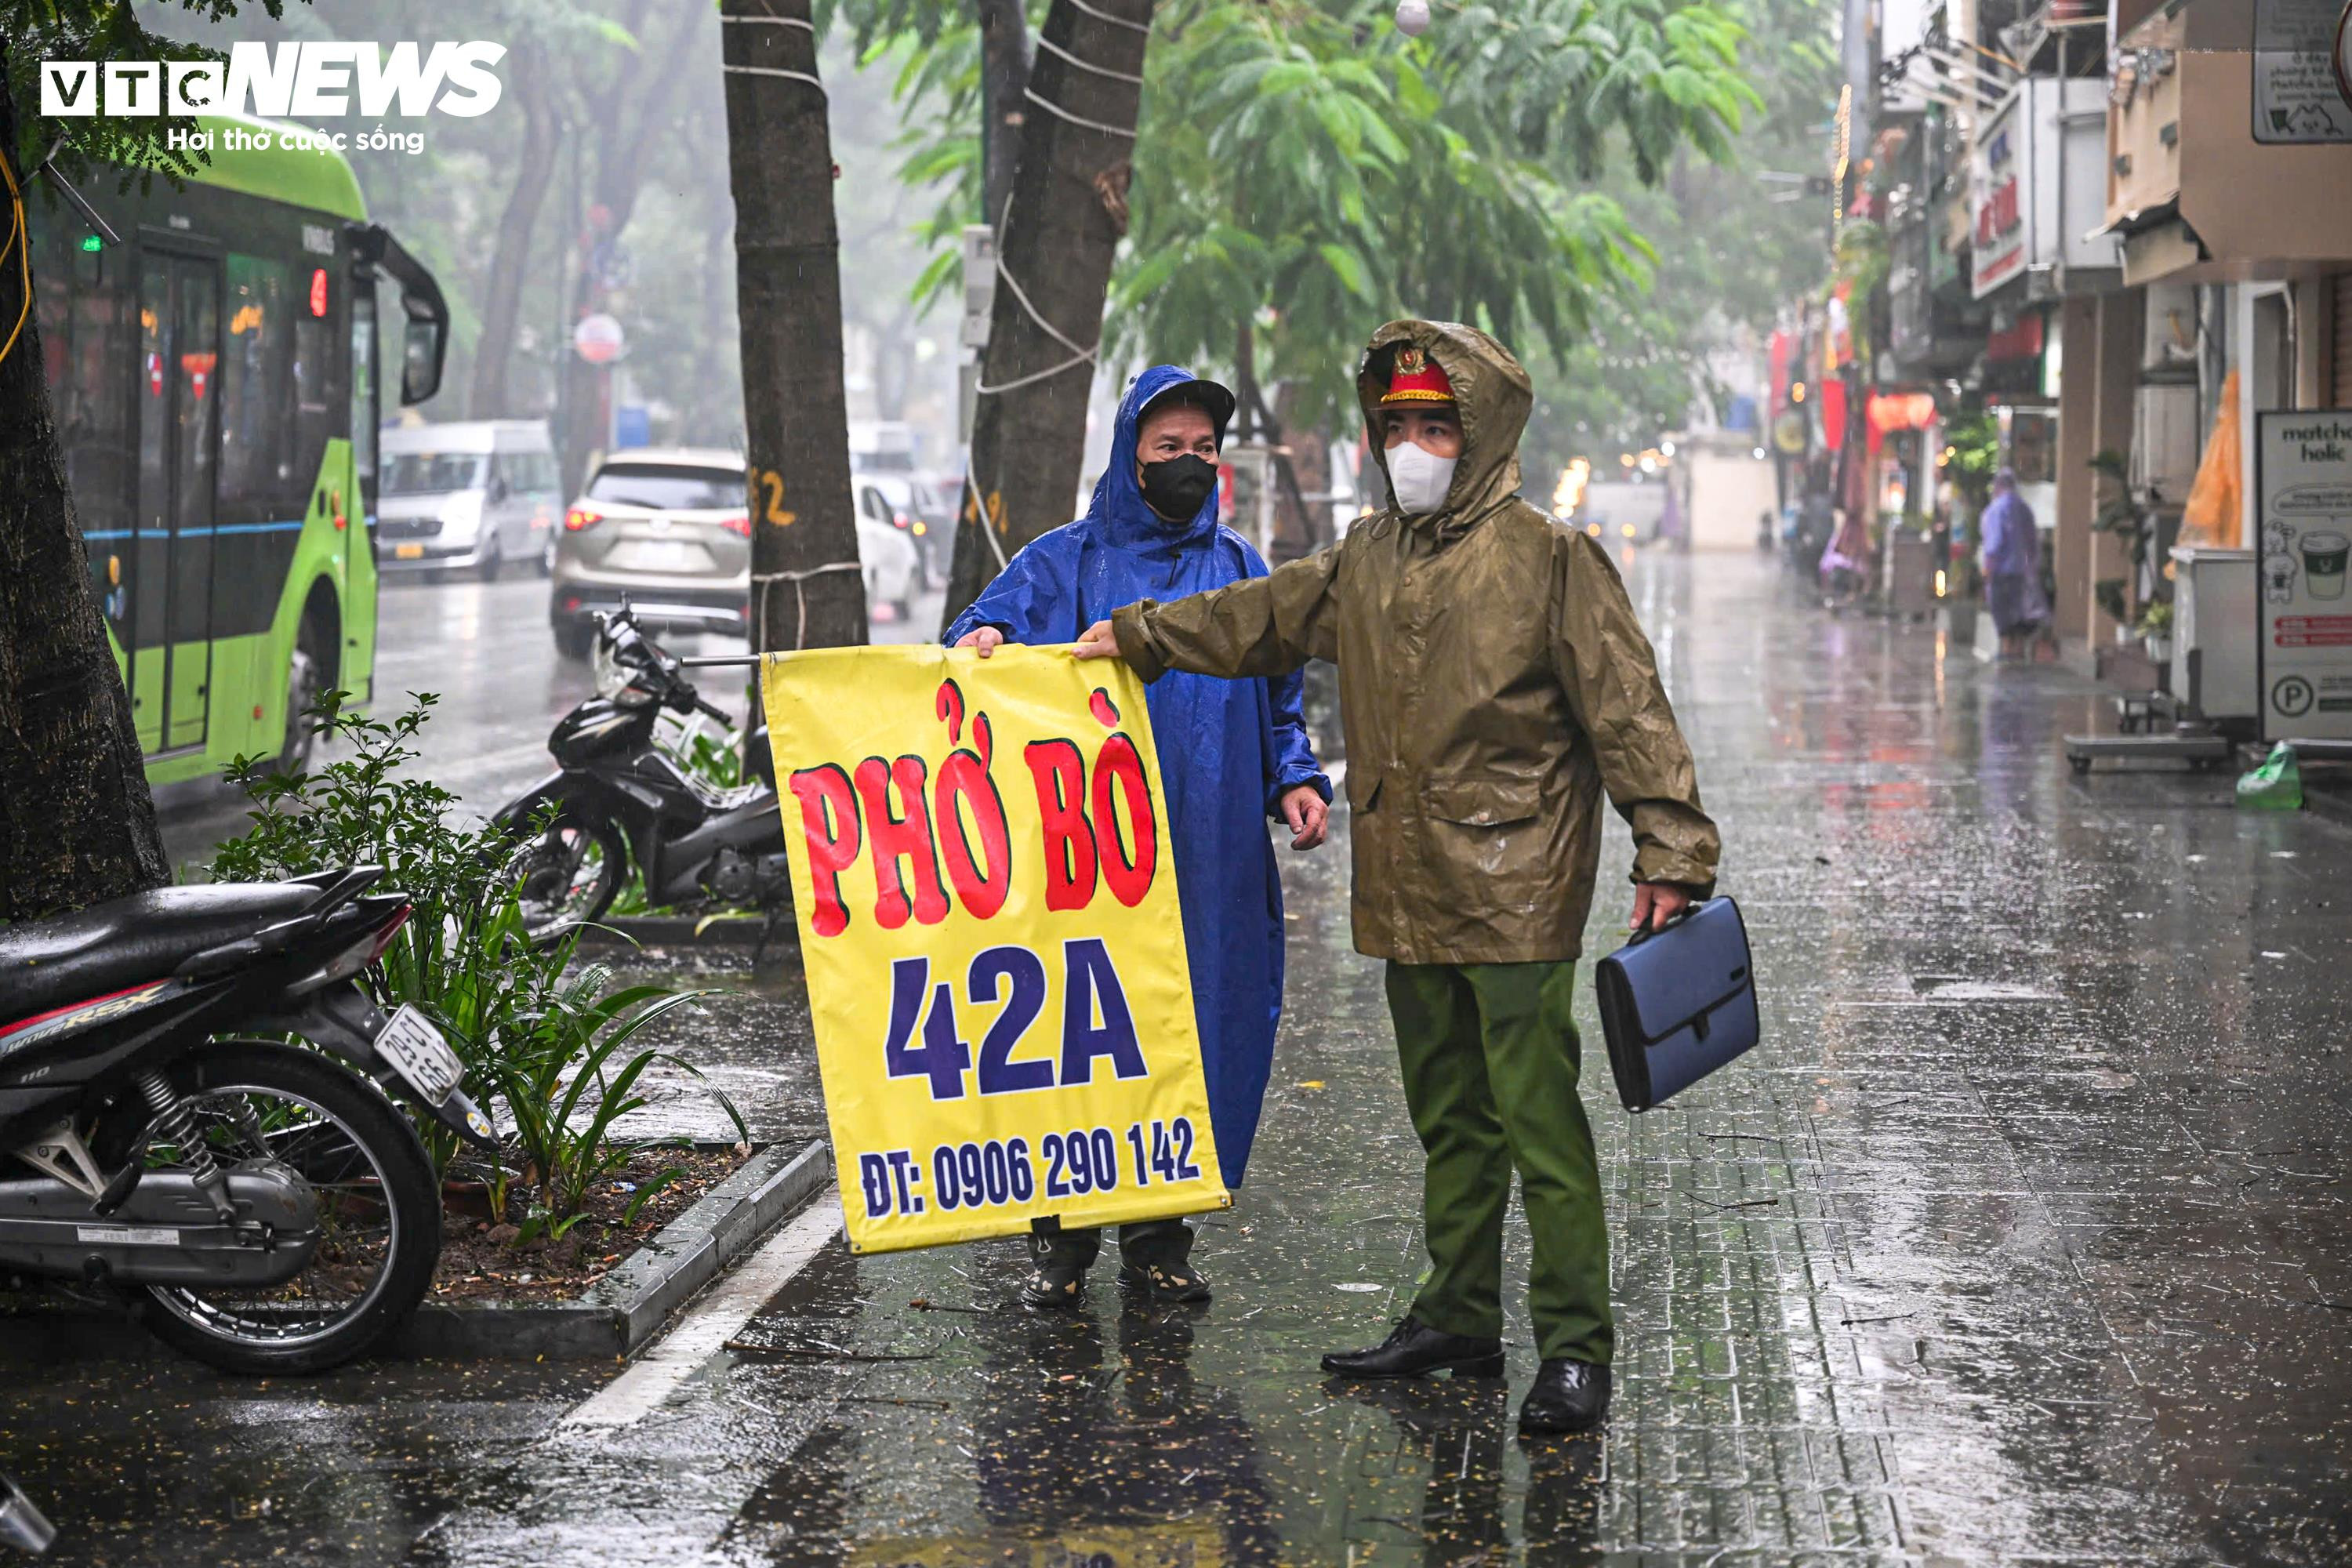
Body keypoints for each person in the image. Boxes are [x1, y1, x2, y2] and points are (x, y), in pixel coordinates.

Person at [1069, 321, 1720, 1436]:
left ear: (1484, 433)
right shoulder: (1369, 554)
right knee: (1450, 1120)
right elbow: (1259, 616)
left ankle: (1574, 1349)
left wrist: (1674, 852)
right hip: (1407, 886)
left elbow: (1627, 708)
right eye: (1398, 426)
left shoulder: (1550, 559)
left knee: (1538, 1125)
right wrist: (1137, 633)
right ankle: (1457, 1315)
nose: (1413, 445)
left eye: (1436, 425)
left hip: (1519, 887)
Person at [947, 365, 1332, 1310]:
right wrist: (986, 640)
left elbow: (1282, 696)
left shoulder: (1240, 568)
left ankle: (1162, 1238)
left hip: (1209, 855)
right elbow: (975, 638)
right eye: (1171, 449)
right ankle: (1062, 1243)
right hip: (1081, 861)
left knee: (1190, 1032)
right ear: (1131, 456)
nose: (1191, 464)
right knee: (1078, 1035)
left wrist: (1296, 778)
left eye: (1205, 449)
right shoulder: (1063, 562)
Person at [1979, 467, 2052, 659]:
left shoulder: (1996, 509)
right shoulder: (2025, 509)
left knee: (2002, 610)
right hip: (2023, 570)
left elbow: (1993, 544)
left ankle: (2006, 649)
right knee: (2020, 610)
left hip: (2002, 570)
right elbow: (2033, 543)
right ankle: (2019, 649)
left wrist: (1988, 568)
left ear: (1998, 486)